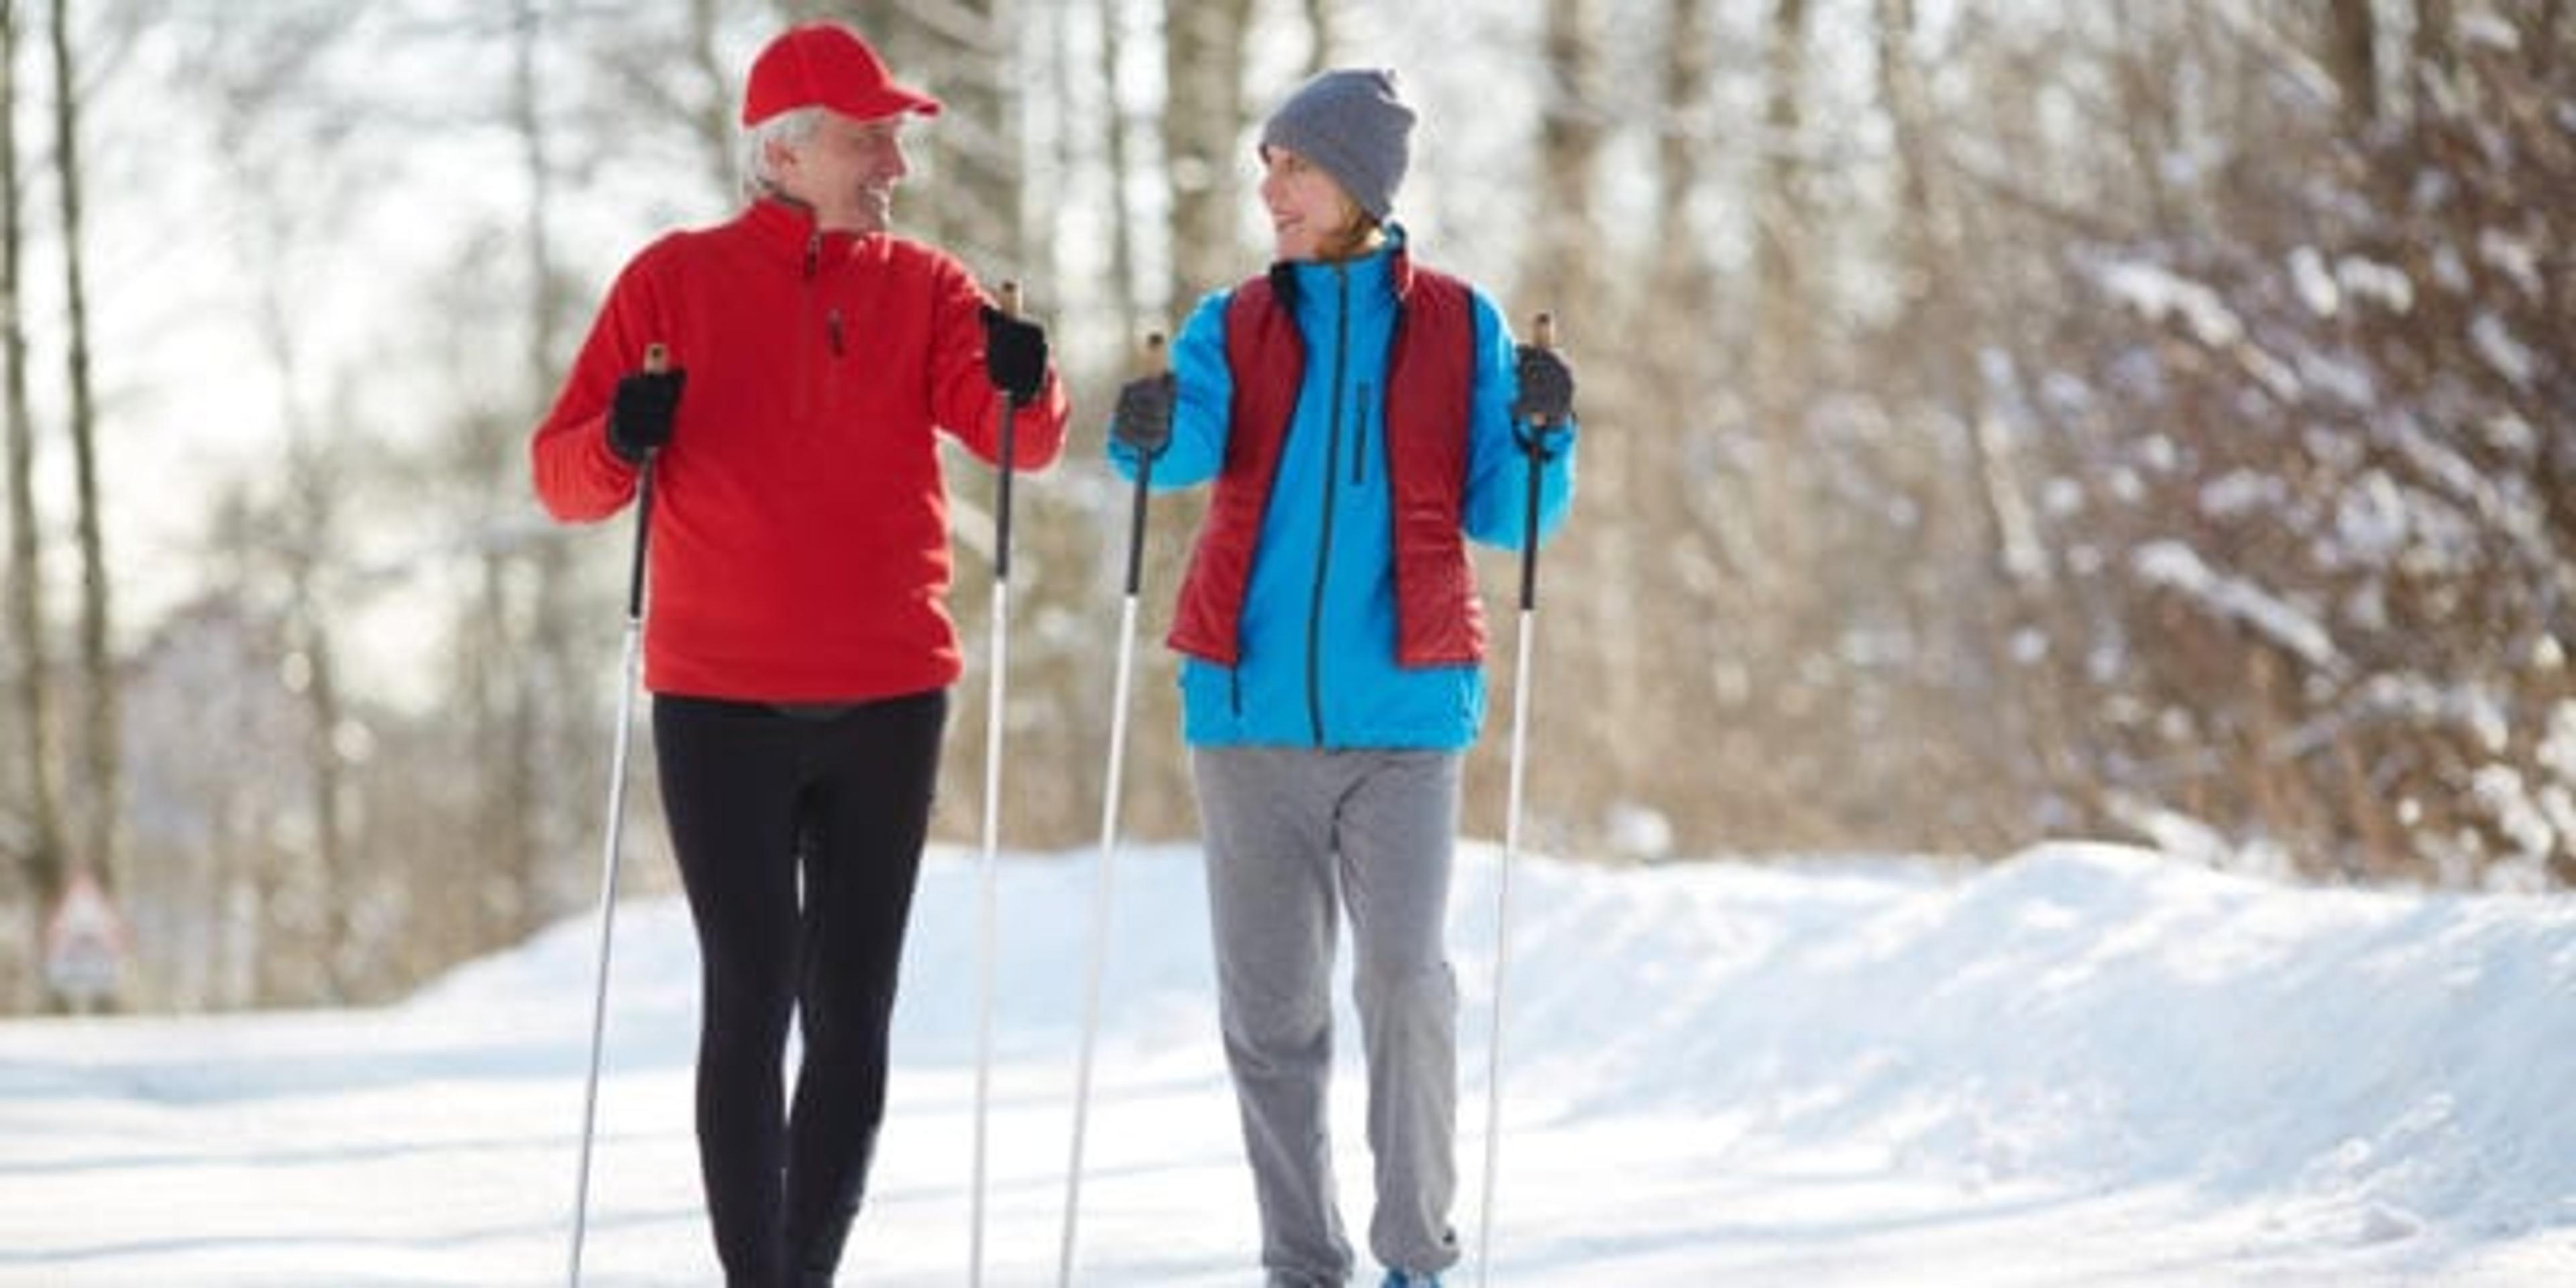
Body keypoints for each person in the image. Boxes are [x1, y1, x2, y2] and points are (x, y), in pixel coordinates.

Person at [529, 21, 1067, 1288]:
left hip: (891, 695)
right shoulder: (671, 281)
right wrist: (624, 431)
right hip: (719, 702)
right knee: (752, 991)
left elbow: (1021, 447)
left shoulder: (928, 284)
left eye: (897, 134)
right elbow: (565, 482)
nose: (898, 159)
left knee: (852, 1011)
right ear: (791, 147)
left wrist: (1024, 382)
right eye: (873, 133)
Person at [1106, 67, 1577, 1288]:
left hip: (1405, 718)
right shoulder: (1236, 322)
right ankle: (1301, 1265)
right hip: (1247, 713)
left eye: (1294, 167)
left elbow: (1509, 511)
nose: (1270, 189)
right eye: (1267, 165)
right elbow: (1175, 458)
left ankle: (1416, 1257)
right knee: (1271, 1023)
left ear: (1359, 184)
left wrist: (1544, 435)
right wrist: (1145, 430)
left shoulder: (1458, 323)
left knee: (1405, 984)